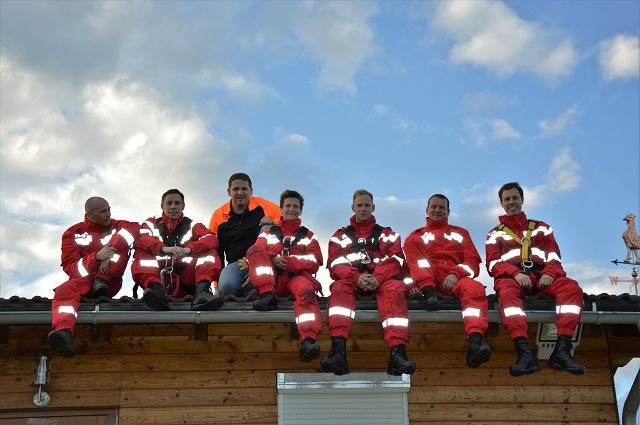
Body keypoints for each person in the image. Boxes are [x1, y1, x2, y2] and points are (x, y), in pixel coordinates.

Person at [486, 182, 585, 376]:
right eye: (507, 199)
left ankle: (562, 351)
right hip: (511, 277)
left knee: (571, 289)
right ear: (501, 203)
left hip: (543, 275)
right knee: (507, 297)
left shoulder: (542, 228)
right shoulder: (494, 233)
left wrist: (549, 273)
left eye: (515, 198)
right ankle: (524, 354)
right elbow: (492, 263)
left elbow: (554, 256)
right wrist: (516, 273)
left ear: (522, 200)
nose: (511, 202)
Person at [321, 189, 416, 376]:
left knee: (395, 290)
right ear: (352, 207)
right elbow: (335, 263)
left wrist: (378, 278)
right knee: (339, 289)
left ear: (373, 207)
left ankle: (398, 354)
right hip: (352, 280)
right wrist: (356, 277)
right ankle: (338, 353)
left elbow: (396, 260)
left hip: (382, 280)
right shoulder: (340, 236)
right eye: (359, 205)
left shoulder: (388, 234)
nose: (363, 209)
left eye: (366, 205)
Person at [404, 194, 492, 368]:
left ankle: (475, 341)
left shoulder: (460, 233)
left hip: (454, 277)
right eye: (434, 207)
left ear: (448, 211)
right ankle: (430, 294)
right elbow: (409, 268)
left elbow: (472, 262)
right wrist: (414, 286)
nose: (437, 210)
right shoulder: (415, 236)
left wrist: (455, 274)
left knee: (474, 290)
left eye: (441, 207)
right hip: (428, 280)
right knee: (419, 259)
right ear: (427, 210)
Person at [48, 197, 138, 357]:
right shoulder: (73, 234)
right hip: (86, 280)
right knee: (64, 291)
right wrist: (96, 257)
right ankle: (64, 333)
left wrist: (110, 250)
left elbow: (134, 228)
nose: (108, 214)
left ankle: (101, 279)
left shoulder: (117, 226)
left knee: (123, 242)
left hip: (110, 281)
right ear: (89, 214)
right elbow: (71, 268)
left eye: (109, 209)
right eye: (103, 211)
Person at [245, 190, 324, 362]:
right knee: (254, 250)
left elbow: (316, 260)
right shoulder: (268, 233)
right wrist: (273, 258)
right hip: (273, 280)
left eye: (295, 206)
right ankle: (267, 295)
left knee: (306, 293)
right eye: (288, 206)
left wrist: (289, 262)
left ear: (300, 211)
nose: (291, 209)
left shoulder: (308, 236)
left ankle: (308, 341)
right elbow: (255, 251)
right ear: (281, 210)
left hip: (297, 277)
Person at [132, 189, 224, 311]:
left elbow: (211, 239)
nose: (173, 207)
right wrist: (163, 248)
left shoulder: (192, 225)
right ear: (162, 206)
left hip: (186, 280)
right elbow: (141, 238)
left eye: (177, 203)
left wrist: (188, 249)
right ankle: (154, 290)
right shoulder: (151, 223)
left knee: (209, 251)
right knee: (141, 249)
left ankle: (202, 292)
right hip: (157, 281)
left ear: (183, 206)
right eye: (169, 203)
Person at [208, 173, 280, 297]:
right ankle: (252, 289)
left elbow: (287, 219)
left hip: (264, 263)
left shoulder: (263, 206)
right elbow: (215, 252)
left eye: (244, 189)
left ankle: (264, 284)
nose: (240, 192)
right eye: (236, 189)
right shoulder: (218, 216)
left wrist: (275, 222)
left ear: (251, 191)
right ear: (228, 192)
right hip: (237, 266)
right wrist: (216, 285)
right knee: (226, 286)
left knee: (269, 227)